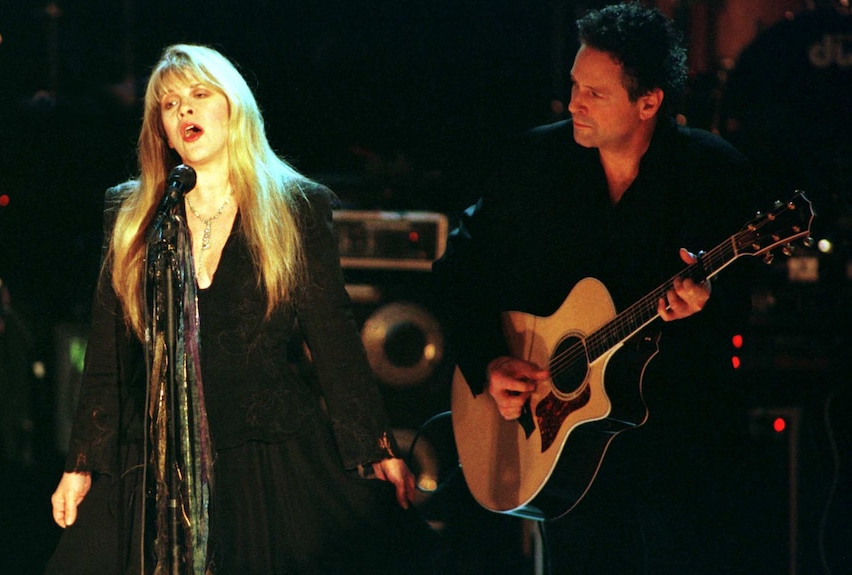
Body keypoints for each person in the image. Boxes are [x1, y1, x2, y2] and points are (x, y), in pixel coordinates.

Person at [47, 44, 444, 574]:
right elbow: (108, 349)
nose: (183, 110)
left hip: (265, 446)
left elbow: (333, 335)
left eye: (198, 94)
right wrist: (81, 464)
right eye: (168, 104)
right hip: (155, 450)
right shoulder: (133, 210)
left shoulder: (294, 205)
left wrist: (374, 444)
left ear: (233, 107)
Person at [433, 3, 770, 573]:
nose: (573, 104)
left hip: (678, 451)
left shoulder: (713, 174)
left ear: (649, 102)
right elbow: (459, 272)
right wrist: (487, 361)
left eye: (594, 93)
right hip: (562, 453)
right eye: (573, 85)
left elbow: (743, 306)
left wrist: (705, 305)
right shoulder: (534, 162)